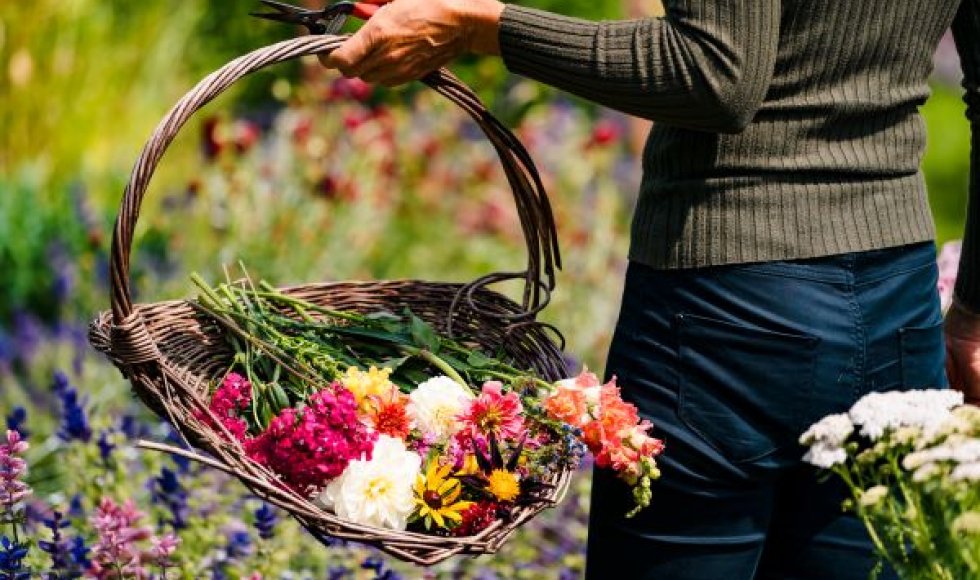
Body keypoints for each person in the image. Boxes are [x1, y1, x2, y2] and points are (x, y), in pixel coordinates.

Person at [318, 1, 980, 578]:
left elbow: (716, 71)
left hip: (727, 314)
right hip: (896, 307)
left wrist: (480, 27)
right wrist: (974, 311)